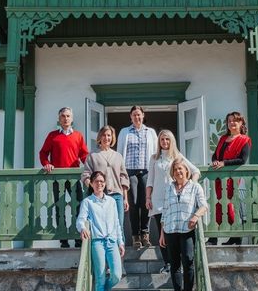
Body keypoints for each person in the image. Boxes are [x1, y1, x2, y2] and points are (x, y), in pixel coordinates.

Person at [146, 130, 200, 273]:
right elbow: (150, 180)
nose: (165, 142)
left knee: (174, 233)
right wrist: (148, 197)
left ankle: (178, 263)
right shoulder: (154, 158)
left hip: (174, 200)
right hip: (157, 199)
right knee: (162, 233)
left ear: (172, 141)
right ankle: (167, 263)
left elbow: (195, 171)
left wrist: (189, 186)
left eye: (167, 139)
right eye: (162, 139)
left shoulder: (177, 156)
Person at [76, 171, 125, 291]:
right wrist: (82, 228)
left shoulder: (111, 201)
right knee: (100, 276)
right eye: (96, 181)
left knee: (117, 274)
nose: (99, 184)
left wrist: (120, 241)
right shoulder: (88, 202)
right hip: (97, 242)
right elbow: (80, 220)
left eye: (102, 181)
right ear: (91, 183)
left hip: (111, 241)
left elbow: (117, 222)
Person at [159, 158, 208, 291]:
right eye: (175, 170)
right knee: (174, 264)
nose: (178, 172)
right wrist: (162, 233)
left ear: (187, 170)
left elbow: (204, 206)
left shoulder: (195, 187)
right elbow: (165, 211)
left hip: (187, 229)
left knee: (188, 260)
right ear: (172, 173)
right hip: (170, 229)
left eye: (181, 169)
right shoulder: (169, 188)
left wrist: (195, 216)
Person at [39, 107, 89, 248]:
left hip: (74, 179)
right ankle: (63, 239)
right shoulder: (53, 136)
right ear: (59, 119)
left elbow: (84, 155)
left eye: (68, 116)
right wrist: (47, 164)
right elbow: (43, 153)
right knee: (59, 208)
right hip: (58, 179)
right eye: (63, 116)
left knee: (78, 206)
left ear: (72, 119)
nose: (66, 118)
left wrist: (91, 165)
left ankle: (78, 237)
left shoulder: (78, 136)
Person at [208, 111, 252, 246]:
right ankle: (230, 236)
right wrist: (216, 161)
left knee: (228, 204)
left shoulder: (245, 140)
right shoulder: (222, 139)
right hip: (219, 177)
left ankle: (226, 236)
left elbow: (242, 160)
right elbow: (215, 155)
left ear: (241, 123)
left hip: (231, 178)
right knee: (218, 204)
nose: (232, 123)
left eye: (235, 120)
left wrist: (224, 163)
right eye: (229, 121)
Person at [117, 106, 158, 249]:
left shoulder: (150, 132)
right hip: (130, 171)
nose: (137, 117)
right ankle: (135, 236)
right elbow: (119, 152)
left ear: (143, 115)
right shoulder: (124, 132)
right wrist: (120, 172)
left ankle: (145, 234)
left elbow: (155, 153)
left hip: (146, 171)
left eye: (139, 115)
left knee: (145, 203)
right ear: (131, 116)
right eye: (134, 115)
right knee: (133, 203)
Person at [81, 125, 130, 232]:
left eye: (109, 135)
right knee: (102, 226)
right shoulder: (93, 155)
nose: (106, 138)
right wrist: (94, 187)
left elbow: (124, 177)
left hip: (117, 195)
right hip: (100, 197)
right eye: (104, 135)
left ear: (112, 138)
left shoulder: (118, 156)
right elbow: (86, 174)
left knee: (119, 227)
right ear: (99, 137)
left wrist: (125, 198)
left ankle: (119, 248)